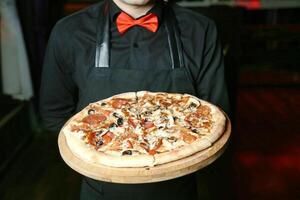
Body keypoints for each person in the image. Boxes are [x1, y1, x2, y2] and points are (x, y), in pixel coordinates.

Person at [40, 0, 229, 199]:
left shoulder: (202, 30)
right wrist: (104, 150)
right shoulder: (68, 32)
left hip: (178, 191)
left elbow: (217, 113)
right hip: (100, 192)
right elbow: (54, 114)